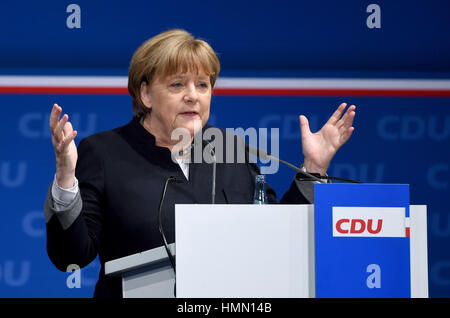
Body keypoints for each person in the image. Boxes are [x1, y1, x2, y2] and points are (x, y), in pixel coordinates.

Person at [44, 29, 356, 298]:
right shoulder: (105, 152)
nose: (193, 96)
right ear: (146, 94)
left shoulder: (230, 148)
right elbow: (71, 256)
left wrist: (312, 169)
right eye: (178, 85)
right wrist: (66, 177)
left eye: (203, 85)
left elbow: (274, 239)